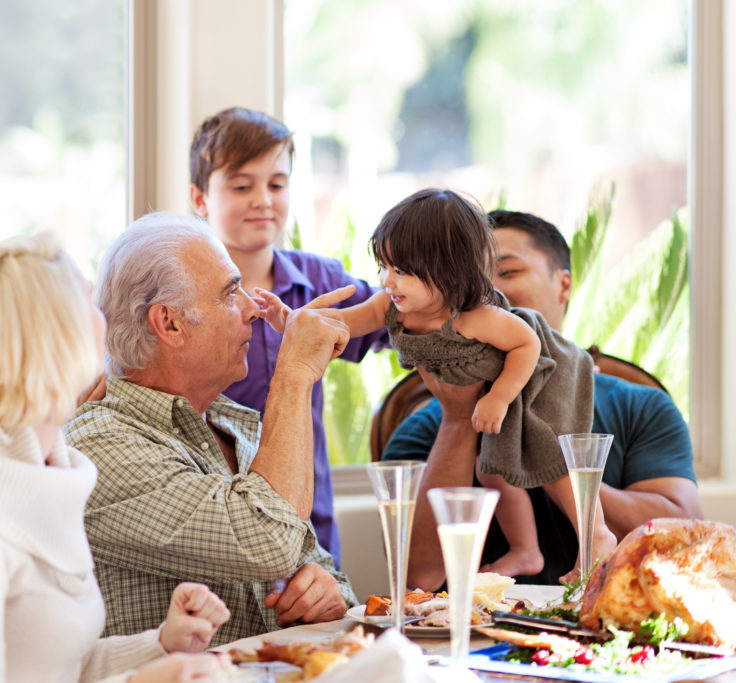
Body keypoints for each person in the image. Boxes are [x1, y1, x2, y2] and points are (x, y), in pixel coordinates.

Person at [0, 232, 231, 683]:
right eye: (88, 301)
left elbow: (64, 668)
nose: (104, 316)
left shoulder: (50, 475)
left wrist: (162, 643)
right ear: (53, 343)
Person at [258, 188, 609, 581]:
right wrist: (292, 322)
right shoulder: (390, 304)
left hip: (536, 374)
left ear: (449, 270)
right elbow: (343, 323)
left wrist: (499, 397)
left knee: (547, 458)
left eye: (402, 270)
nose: (387, 280)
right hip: (494, 386)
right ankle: (526, 551)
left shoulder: (473, 317)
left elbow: (527, 344)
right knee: (492, 467)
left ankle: (596, 536)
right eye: (384, 266)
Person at [64, 212, 358, 647]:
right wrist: (294, 375)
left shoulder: (236, 425)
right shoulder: (98, 446)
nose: (253, 308)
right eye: (229, 293)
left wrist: (328, 595)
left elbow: (326, 572)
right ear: (169, 323)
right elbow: (268, 540)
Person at [384, 209, 705, 590]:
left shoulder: (641, 409)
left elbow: (685, 540)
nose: (483, 294)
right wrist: (457, 420)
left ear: (563, 285)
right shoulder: (424, 427)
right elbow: (417, 580)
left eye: (506, 273)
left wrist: (540, 462)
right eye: (464, 280)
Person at [188, 107, 389, 565]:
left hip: (311, 537)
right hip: (220, 535)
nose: (263, 199)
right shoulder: (180, 297)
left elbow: (395, 320)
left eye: (277, 184)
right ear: (200, 199)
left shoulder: (321, 282)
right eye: (242, 186)